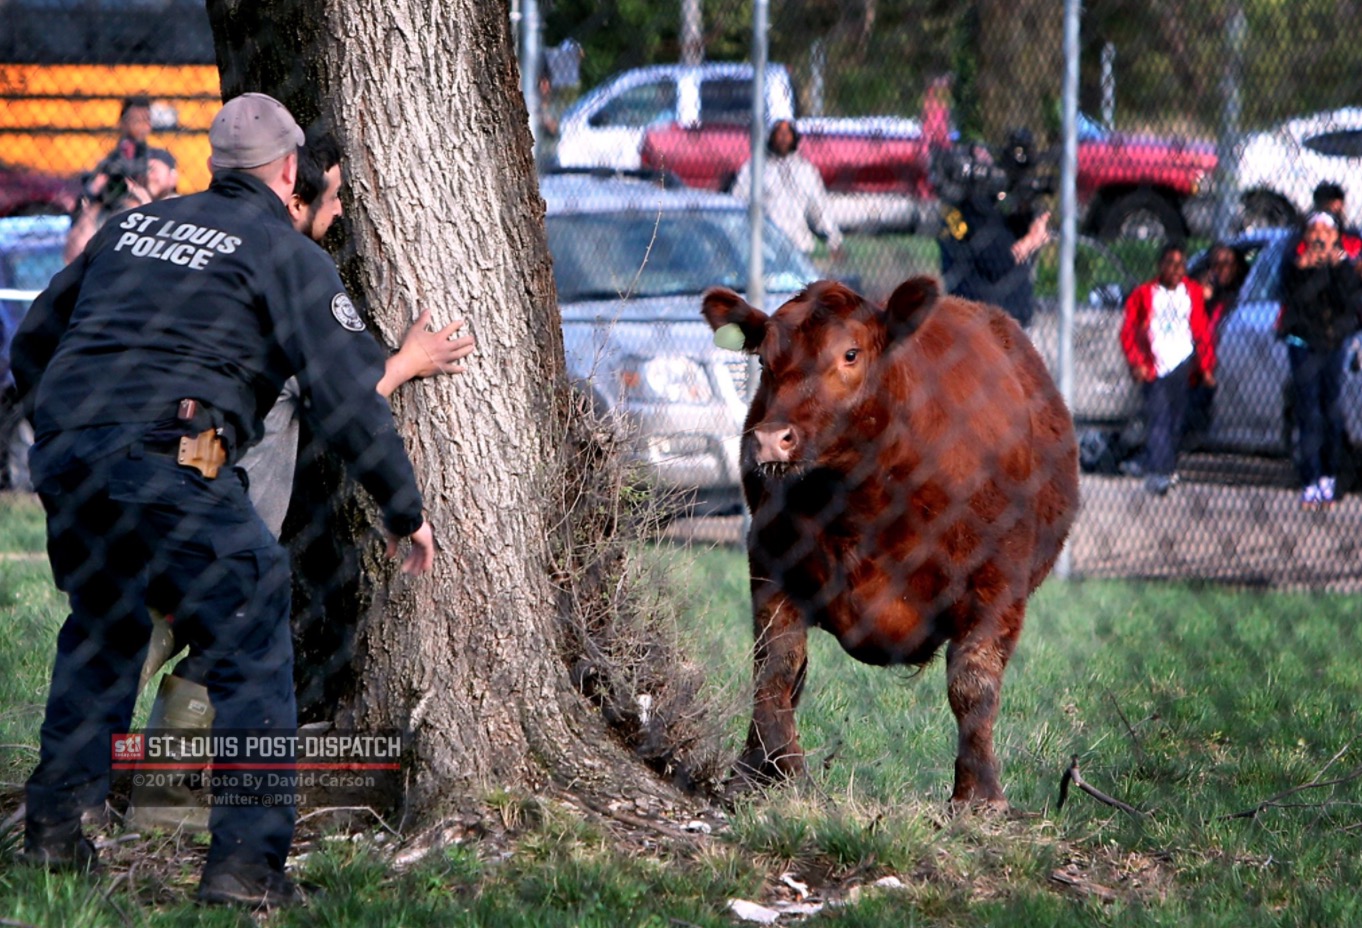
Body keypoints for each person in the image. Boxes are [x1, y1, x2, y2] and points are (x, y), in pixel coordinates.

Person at [11, 93, 435, 906]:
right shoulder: (284, 251)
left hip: (73, 454)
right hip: (172, 458)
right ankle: (245, 869)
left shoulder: (135, 228)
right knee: (249, 634)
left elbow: (36, 339)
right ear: (288, 172)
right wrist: (404, 508)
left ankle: (56, 837)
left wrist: (78, 430)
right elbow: (346, 396)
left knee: (104, 629)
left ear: (215, 162)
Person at [1278, 210, 1362, 508]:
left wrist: (1338, 269)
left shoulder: (1344, 267)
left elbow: (1351, 303)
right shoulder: (1294, 263)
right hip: (1304, 343)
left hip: (1333, 343)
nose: (1319, 236)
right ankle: (1310, 479)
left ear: (1335, 236)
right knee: (1308, 410)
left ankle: (1329, 476)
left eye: (1325, 231)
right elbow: (1291, 298)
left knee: (1330, 409)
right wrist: (1304, 269)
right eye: (1314, 230)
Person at [1119, 242, 1217, 495]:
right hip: (1156, 365)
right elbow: (1128, 330)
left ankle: (1168, 466)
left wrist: (1206, 367)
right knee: (1158, 419)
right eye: (1170, 264)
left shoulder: (1191, 293)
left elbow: (1202, 332)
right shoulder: (1144, 294)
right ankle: (1157, 471)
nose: (1175, 270)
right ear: (1160, 266)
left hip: (1183, 364)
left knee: (1177, 420)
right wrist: (1137, 362)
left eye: (1181, 265)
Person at [936, 144, 1050, 328]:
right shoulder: (973, 208)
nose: (993, 173)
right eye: (985, 168)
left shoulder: (956, 205)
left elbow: (1005, 228)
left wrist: (1024, 209)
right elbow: (1001, 262)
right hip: (995, 322)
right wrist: (1032, 241)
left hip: (970, 315)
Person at [732, 119, 843, 260]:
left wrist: (833, 241)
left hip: (799, 249)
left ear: (794, 137)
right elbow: (737, 204)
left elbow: (819, 208)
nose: (784, 137)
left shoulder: (805, 170)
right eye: (779, 132)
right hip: (765, 251)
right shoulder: (753, 168)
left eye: (788, 132)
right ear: (770, 135)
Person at [1185, 242, 1248, 441]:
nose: (1221, 270)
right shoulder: (1203, 294)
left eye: (1227, 264)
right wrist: (1202, 298)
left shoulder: (1241, 294)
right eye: (1216, 265)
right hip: (1200, 364)